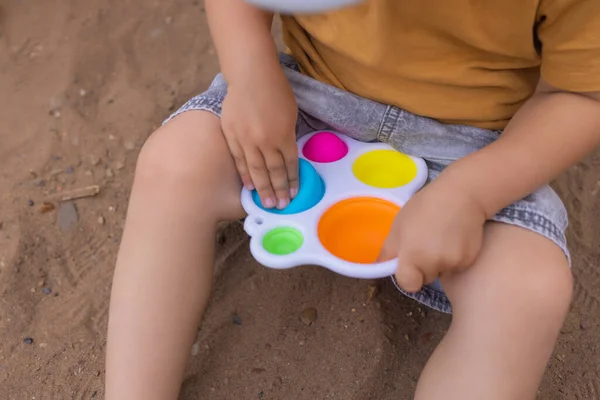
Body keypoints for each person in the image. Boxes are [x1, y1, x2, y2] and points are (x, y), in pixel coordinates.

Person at [104, 0, 600, 398]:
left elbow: (578, 96)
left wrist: (473, 193)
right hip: (310, 96)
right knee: (176, 164)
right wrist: (251, 71)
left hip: (476, 146)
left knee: (527, 289)